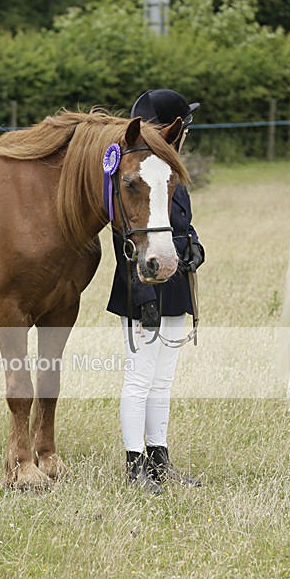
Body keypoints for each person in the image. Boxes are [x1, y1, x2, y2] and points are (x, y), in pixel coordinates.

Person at [107, 89, 205, 494]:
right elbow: (125, 242)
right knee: (140, 378)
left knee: (163, 380)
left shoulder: (167, 174)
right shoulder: (130, 179)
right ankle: (135, 464)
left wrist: (195, 245)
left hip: (175, 283)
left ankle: (159, 459)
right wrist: (143, 297)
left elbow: (180, 223)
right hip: (142, 286)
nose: (186, 134)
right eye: (182, 127)